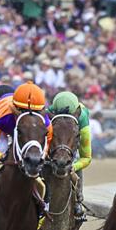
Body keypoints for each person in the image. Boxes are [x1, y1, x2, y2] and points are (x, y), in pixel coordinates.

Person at [46, 91, 91, 222]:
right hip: (55, 146)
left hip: (71, 149)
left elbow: (86, 157)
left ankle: (78, 200)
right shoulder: (49, 112)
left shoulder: (83, 119)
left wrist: (74, 166)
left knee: (75, 158)